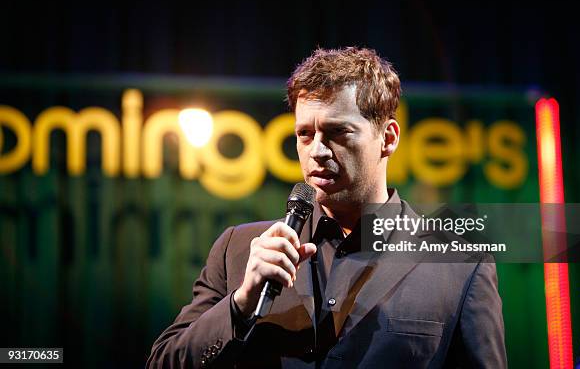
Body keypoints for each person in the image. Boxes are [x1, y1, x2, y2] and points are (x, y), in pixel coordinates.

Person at [146, 47, 507, 368]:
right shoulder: (238, 250)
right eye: (305, 134)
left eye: (337, 133)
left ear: (389, 138)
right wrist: (240, 303)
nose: (317, 151)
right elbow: (164, 362)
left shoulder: (459, 263)